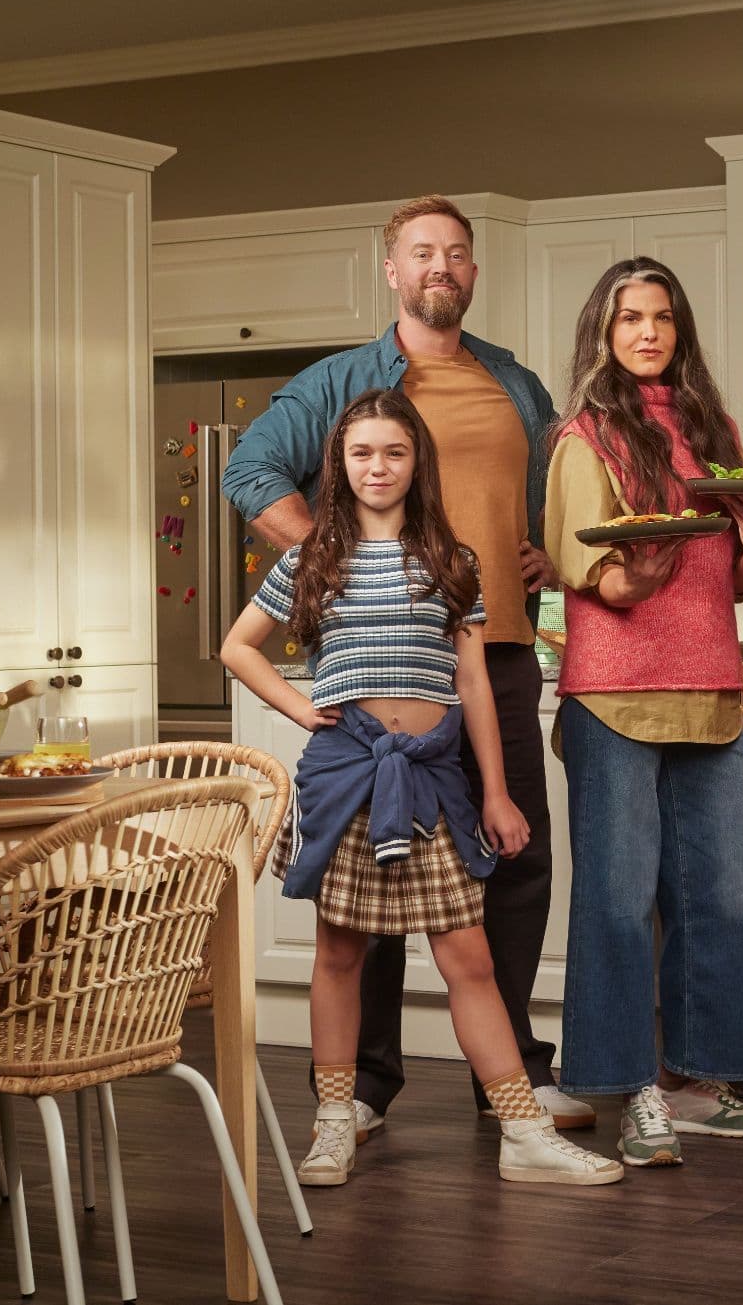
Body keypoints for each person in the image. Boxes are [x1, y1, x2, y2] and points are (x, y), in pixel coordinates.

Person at [221, 196, 591, 1137]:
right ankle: (368, 1086)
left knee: (515, 857)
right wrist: (340, 564)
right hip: (376, 680)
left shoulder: (514, 382)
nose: (443, 266)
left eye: (458, 254)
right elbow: (249, 471)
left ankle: (508, 1082)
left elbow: (544, 500)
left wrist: (542, 551)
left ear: (473, 272)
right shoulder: (346, 380)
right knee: (371, 862)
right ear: (393, 270)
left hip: (492, 648)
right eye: (423, 252)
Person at [541, 257, 743, 1168]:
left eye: (661, 318)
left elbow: (729, 580)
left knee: (726, 895)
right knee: (617, 902)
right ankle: (635, 1089)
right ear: (604, 334)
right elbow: (589, 568)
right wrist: (629, 574)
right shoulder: (584, 435)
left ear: (680, 330)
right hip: (613, 692)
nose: (647, 332)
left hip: (711, 686)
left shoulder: (712, 427)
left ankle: (697, 1081)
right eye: (628, 319)